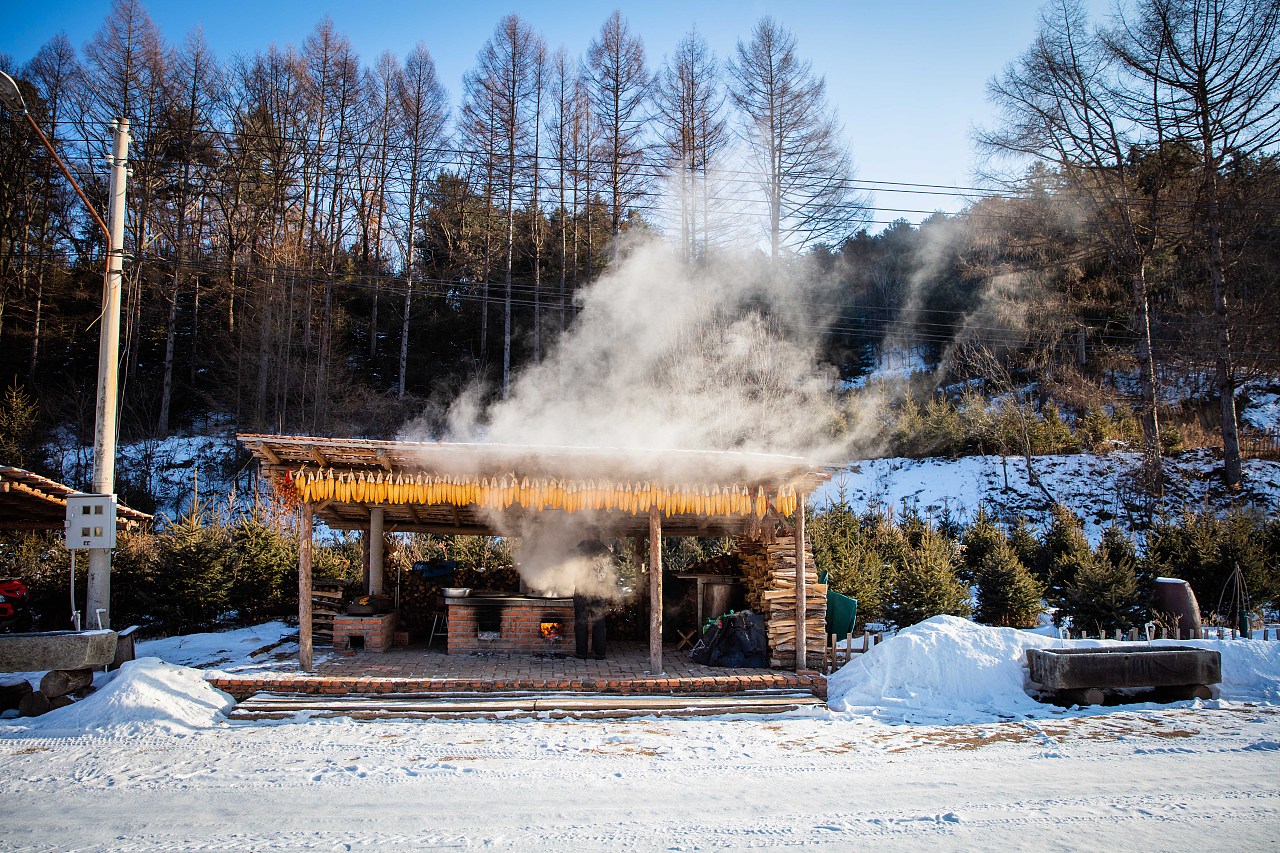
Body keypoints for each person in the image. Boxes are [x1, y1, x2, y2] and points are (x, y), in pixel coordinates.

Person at [572, 538, 614, 659]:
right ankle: (599, 654)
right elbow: (609, 571)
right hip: (599, 590)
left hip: (582, 589)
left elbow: (572, 563)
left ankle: (581, 653)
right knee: (599, 622)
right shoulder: (605, 550)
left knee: (581, 622)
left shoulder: (581, 547)